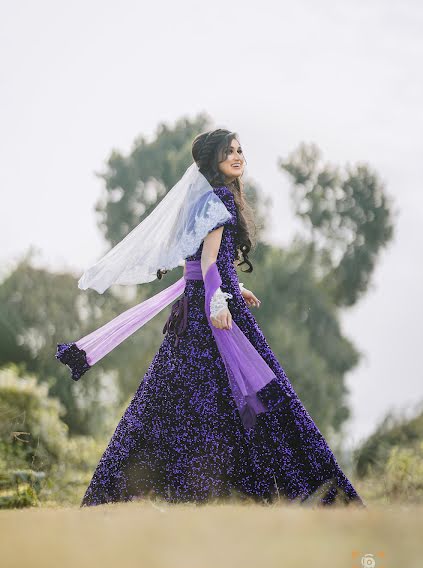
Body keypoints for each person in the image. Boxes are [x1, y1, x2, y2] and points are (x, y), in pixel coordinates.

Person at [57, 128, 365, 508]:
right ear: (211, 161)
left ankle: (127, 489)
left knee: (171, 397)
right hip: (210, 311)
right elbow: (205, 261)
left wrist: (234, 289)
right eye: (228, 152)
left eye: (239, 150)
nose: (237, 156)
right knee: (257, 395)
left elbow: (205, 262)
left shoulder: (202, 199)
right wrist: (219, 300)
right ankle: (300, 490)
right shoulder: (218, 197)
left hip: (198, 305)